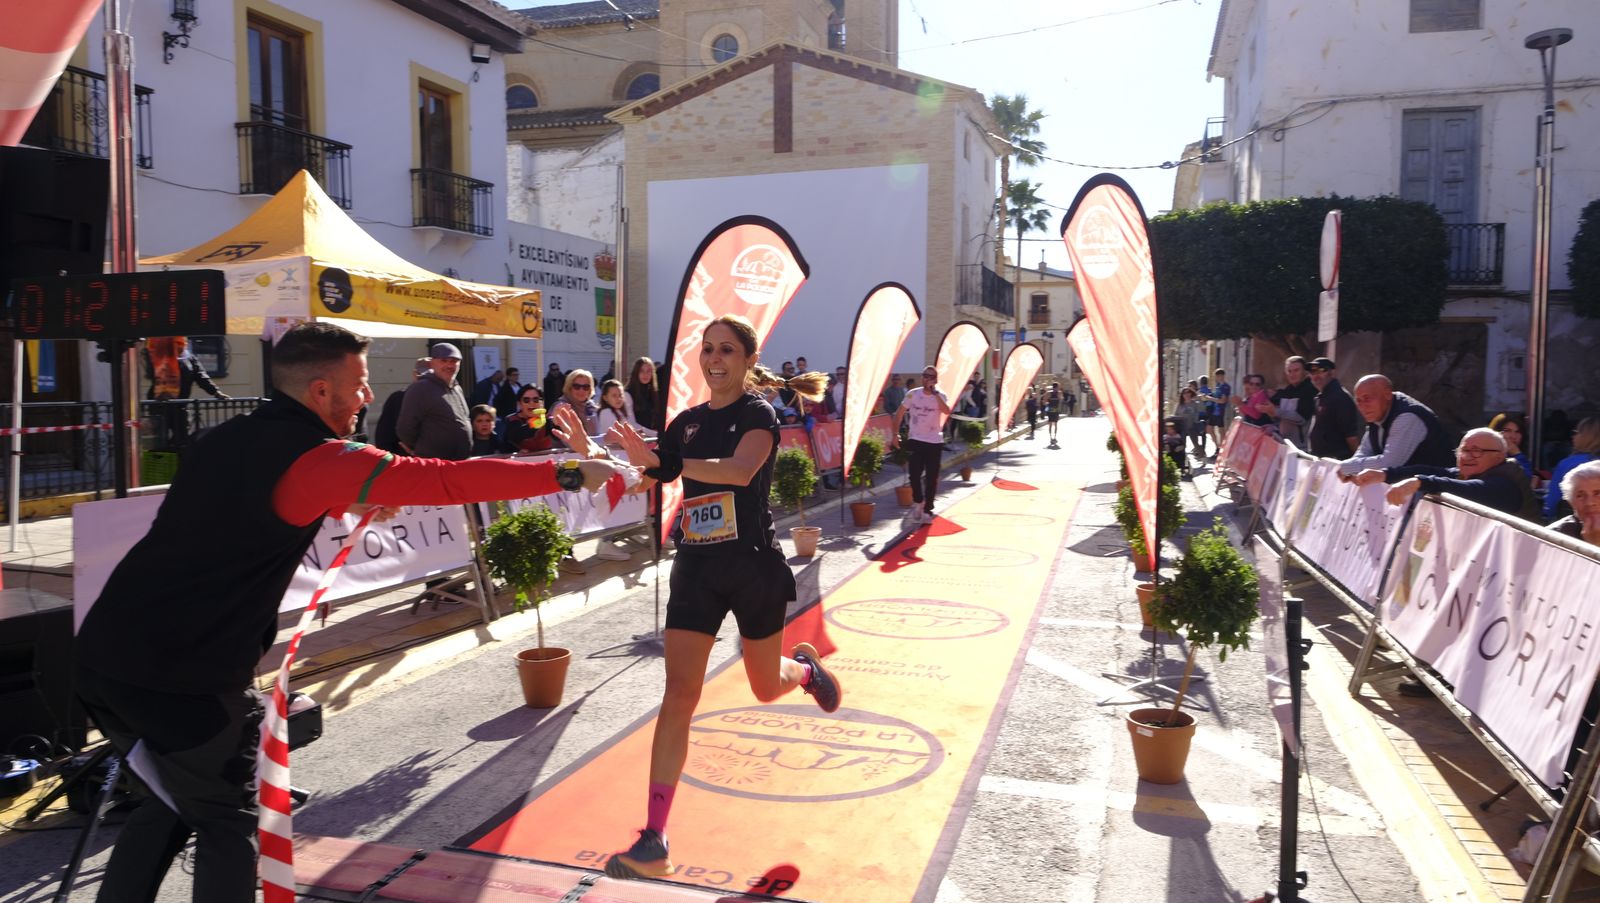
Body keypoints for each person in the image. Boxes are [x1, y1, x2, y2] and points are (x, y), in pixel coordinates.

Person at [73, 322, 629, 903]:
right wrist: (566, 470)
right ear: (319, 392)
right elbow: (446, 479)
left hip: (108, 654)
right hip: (180, 675)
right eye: (358, 385)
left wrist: (350, 496)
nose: (368, 397)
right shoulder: (319, 455)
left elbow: (251, 502)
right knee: (229, 821)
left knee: (173, 804)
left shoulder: (229, 437)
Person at [601, 315, 835, 881]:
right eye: (707, 349)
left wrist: (669, 465)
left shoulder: (759, 414)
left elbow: (738, 470)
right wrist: (613, 461)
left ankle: (801, 673)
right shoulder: (683, 425)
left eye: (727, 350)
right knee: (679, 693)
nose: (714, 359)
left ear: (748, 360)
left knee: (763, 686)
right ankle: (654, 838)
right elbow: (652, 472)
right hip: (697, 569)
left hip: (751, 567)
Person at [1351, 427, 1538, 520]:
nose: (1467, 456)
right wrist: (1384, 475)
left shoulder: (1506, 484)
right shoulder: (1469, 473)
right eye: (1463, 450)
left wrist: (1420, 483)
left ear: (1499, 456)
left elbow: (1475, 491)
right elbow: (1428, 470)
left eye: (1476, 451)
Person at [1336, 374, 1453, 477]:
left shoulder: (1407, 416)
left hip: (1436, 494)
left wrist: (1347, 468)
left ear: (1387, 394)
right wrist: (1350, 469)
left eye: (1367, 398)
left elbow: (1389, 463)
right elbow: (1365, 452)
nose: (1362, 406)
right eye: (1359, 400)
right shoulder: (1377, 415)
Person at [891, 365, 954, 524]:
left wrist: (935, 394)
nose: (928, 379)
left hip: (934, 441)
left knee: (932, 477)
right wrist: (895, 434)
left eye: (932, 377)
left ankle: (927, 510)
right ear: (922, 377)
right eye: (926, 376)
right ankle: (918, 501)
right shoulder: (912, 395)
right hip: (916, 440)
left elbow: (946, 411)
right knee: (914, 474)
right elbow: (898, 414)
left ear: (936, 380)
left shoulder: (941, 396)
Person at [144, 336, 230, 449]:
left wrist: (216, 392)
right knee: (160, 442)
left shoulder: (188, 358)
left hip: (180, 407)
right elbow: (150, 373)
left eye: (181, 341)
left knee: (182, 442)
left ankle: (180, 463)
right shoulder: (158, 355)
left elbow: (201, 376)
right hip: (160, 407)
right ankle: (164, 463)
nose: (180, 343)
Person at [397, 342, 472, 460]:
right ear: (432, 363)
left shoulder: (457, 388)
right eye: (443, 360)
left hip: (460, 463)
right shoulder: (420, 388)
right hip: (434, 465)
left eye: (453, 361)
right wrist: (420, 449)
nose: (449, 365)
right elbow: (405, 428)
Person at [1544, 417, 1600, 521]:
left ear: (1586, 437)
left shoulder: (1567, 464)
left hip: (1573, 527)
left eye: (1576, 433)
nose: (1573, 437)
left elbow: (1551, 504)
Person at [1305, 357, 1361, 460]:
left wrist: (1356, 465)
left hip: (1337, 463)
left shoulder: (1340, 397)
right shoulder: (1320, 397)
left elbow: (1351, 435)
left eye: (1321, 370)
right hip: (1322, 462)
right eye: (1312, 371)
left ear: (1332, 373)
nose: (1316, 375)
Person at [373, 357, 432, 454]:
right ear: (414, 374)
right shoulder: (398, 399)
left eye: (431, 378)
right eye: (422, 377)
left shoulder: (443, 399)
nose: (426, 382)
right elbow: (383, 439)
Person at [1267, 355, 1317, 448]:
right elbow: (1283, 418)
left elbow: (1301, 418)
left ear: (1305, 371)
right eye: (1289, 371)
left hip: (1302, 448)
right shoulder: (1288, 390)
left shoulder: (1310, 390)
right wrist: (1272, 426)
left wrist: (1275, 411)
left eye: (1296, 370)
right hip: (1286, 445)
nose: (1292, 374)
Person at [1547, 460, 1600, 546]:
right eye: (1580, 496)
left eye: (1598, 493)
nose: (1589, 502)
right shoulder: (1555, 538)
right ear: (1571, 502)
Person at [550, 369, 600, 449]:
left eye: (586, 387)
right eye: (577, 387)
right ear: (569, 388)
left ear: (590, 389)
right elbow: (572, 443)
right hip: (564, 456)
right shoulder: (561, 407)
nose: (581, 390)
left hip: (589, 455)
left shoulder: (591, 406)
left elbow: (596, 434)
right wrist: (606, 438)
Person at [502, 386, 554, 453]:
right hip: (519, 461)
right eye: (526, 400)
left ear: (542, 402)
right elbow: (515, 436)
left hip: (546, 460)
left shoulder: (548, 419)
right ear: (519, 404)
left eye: (536, 399)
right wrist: (534, 423)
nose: (531, 403)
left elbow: (559, 436)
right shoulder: (512, 419)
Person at [1487, 412, 1533, 478]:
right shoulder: (1486, 455)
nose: (1513, 436)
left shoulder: (1523, 455)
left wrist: (1517, 454)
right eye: (1507, 431)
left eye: (1517, 432)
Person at [626, 356, 662, 431]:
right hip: (637, 437)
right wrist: (655, 434)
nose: (645, 374)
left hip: (653, 438)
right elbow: (631, 423)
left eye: (648, 371)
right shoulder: (628, 394)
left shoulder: (655, 393)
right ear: (636, 373)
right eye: (641, 371)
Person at [1204, 368, 1232, 456]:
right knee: (1209, 429)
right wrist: (1206, 396)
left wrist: (1210, 398)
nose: (1215, 378)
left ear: (1221, 376)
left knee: (1221, 430)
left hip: (1221, 411)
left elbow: (1222, 400)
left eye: (1216, 376)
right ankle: (1217, 446)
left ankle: (1222, 449)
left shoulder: (1225, 387)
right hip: (1214, 411)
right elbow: (1215, 396)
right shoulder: (1218, 386)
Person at [1173, 387, 1205, 461]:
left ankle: (1202, 456)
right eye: (1184, 393)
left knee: (1195, 443)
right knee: (1182, 444)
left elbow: (1202, 409)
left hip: (1192, 426)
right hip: (1182, 426)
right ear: (1182, 395)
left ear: (1191, 393)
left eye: (1188, 392)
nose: (1186, 394)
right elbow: (1175, 415)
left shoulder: (1195, 403)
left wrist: (1197, 396)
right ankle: (1181, 459)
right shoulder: (1180, 405)